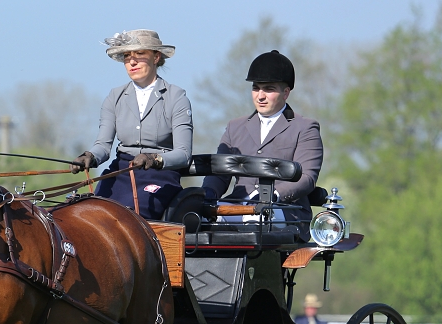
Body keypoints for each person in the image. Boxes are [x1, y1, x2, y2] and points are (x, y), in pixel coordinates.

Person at [71, 29, 193, 220]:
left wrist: (154, 159)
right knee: (86, 214)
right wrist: (90, 156)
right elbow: (103, 145)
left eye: (140, 54)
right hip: (120, 173)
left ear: (156, 57)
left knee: (128, 217)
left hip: (159, 176)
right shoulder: (114, 97)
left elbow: (184, 154)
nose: (132, 62)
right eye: (127, 56)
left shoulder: (176, 97)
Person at [201, 50, 323, 240]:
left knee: (255, 220)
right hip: (237, 207)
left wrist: (273, 195)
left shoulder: (305, 128)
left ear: (286, 93)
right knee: (197, 220)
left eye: (268, 89)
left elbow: (307, 177)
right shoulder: (235, 127)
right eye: (256, 88)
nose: (260, 96)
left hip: (285, 211)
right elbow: (219, 174)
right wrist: (206, 194)